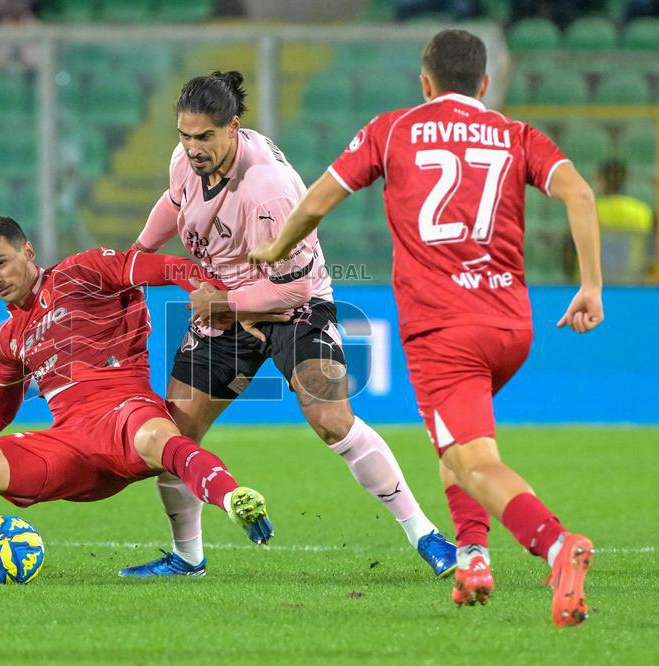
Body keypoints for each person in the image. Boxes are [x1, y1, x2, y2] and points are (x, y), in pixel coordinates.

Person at [248, 29, 603, 627]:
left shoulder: (392, 129)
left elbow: (314, 203)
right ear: (484, 84)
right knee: (459, 445)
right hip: (512, 325)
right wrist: (590, 285)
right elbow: (580, 192)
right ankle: (472, 556)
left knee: (475, 461)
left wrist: (274, 247)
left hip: (445, 329)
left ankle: (555, 544)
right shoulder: (517, 135)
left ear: (424, 82)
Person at [120, 70, 457, 579]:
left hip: (290, 307)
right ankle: (188, 557)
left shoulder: (269, 189)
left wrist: (227, 304)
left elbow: (295, 289)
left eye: (205, 137)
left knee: (331, 420)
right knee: (173, 434)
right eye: (185, 136)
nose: (193, 148)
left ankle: (425, 535)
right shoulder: (186, 160)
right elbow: (175, 202)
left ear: (233, 126)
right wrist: (138, 255)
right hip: (227, 304)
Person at [0, 216, 273, 579]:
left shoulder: (84, 271)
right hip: (70, 444)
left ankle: (234, 498)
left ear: (28, 252)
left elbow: (164, 267)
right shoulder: (9, 336)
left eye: (1, 262)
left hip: (123, 412)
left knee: (157, 436)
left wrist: (206, 289)